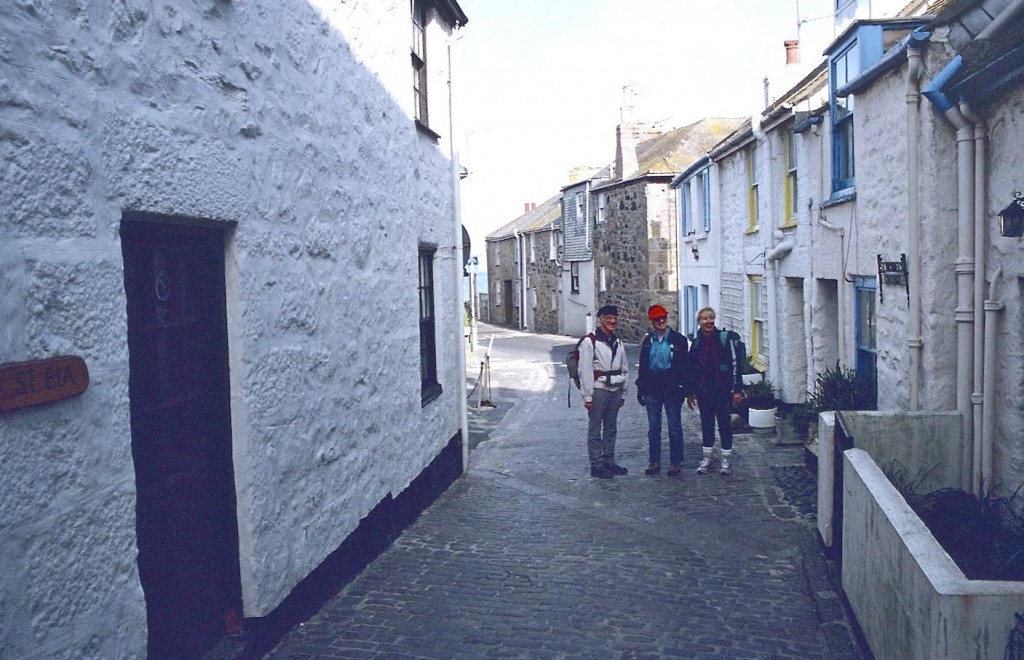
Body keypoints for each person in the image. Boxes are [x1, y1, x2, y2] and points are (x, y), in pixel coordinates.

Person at [685, 306, 745, 475]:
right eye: (704, 319)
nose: (708, 321)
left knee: (724, 424)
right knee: (707, 425)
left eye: (711, 318)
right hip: (704, 391)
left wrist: (737, 390)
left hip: (722, 389)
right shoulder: (696, 343)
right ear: (699, 322)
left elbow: (735, 365)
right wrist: (690, 392)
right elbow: (691, 368)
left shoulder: (723, 339)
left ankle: (726, 460)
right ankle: (707, 457)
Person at [635, 304, 689, 476]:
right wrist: (640, 389)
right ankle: (654, 461)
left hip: (671, 387)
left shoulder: (678, 340)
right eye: (657, 319)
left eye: (663, 318)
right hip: (652, 387)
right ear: (652, 321)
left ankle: (675, 461)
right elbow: (643, 366)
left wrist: (684, 389)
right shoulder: (647, 341)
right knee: (654, 426)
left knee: (674, 425)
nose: (661, 321)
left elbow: (684, 367)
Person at [579, 305, 629, 478]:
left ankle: (609, 462)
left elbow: (624, 368)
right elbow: (584, 370)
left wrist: (623, 393)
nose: (612, 321)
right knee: (595, 430)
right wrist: (587, 396)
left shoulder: (618, 342)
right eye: (608, 317)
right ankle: (596, 465)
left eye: (614, 318)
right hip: (598, 390)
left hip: (615, 389)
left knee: (611, 428)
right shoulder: (589, 342)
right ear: (600, 319)